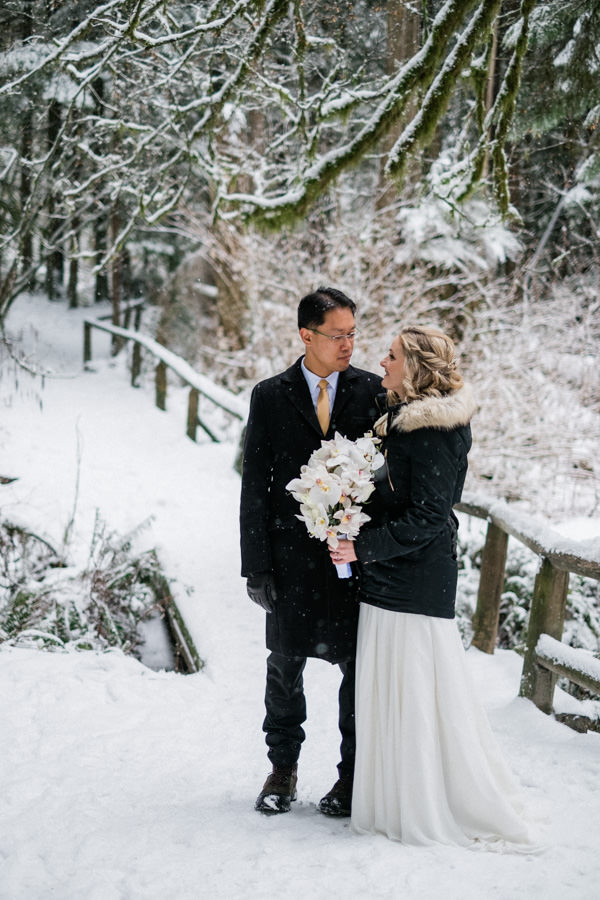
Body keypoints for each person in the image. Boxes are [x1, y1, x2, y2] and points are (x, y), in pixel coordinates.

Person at [330, 325, 532, 847]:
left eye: (392, 356)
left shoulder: (434, 432)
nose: (383, 361)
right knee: (391, 692)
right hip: (386, 579)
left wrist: (362, 546)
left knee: (418, 695)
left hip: (415, 583)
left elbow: (428, 517)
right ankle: (392, 795)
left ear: (416, 367)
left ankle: (424, 802)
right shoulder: (399, 422)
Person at [240, 286, 382, 816]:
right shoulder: (270, 395)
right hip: (289, 562)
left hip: (355, 561)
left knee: (357, 671)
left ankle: (350, 778)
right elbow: (254, 483)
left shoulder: (373, 391)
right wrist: (255, 566)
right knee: (284, 667)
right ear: (307, 335)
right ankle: (282, 769)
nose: (347, 344)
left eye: (352, 334)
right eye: (336, 334)